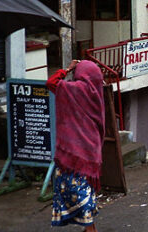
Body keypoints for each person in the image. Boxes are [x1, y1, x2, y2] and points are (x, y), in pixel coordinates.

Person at [46, 60, 105, 231]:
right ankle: (89, 228)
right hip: (91, 150)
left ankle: (90, 228)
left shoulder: (73, 90)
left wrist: (67, 69)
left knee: (77, 193)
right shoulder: (97, 92)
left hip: (72, 154)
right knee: (86, 194)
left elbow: (51, 83)